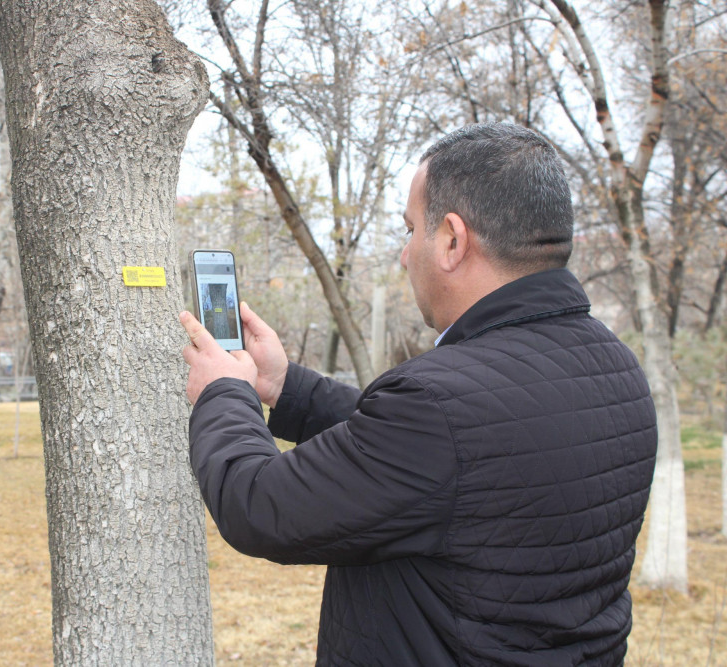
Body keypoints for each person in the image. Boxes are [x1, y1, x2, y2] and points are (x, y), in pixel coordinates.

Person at [179, 122, 658, 666]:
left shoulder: (440, 406)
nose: (405, 256)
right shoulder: (614, 366)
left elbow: (258, 505)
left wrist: (222, 391)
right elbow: (447, 456)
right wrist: (286, 387)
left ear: (452, 240)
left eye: (410, 231)